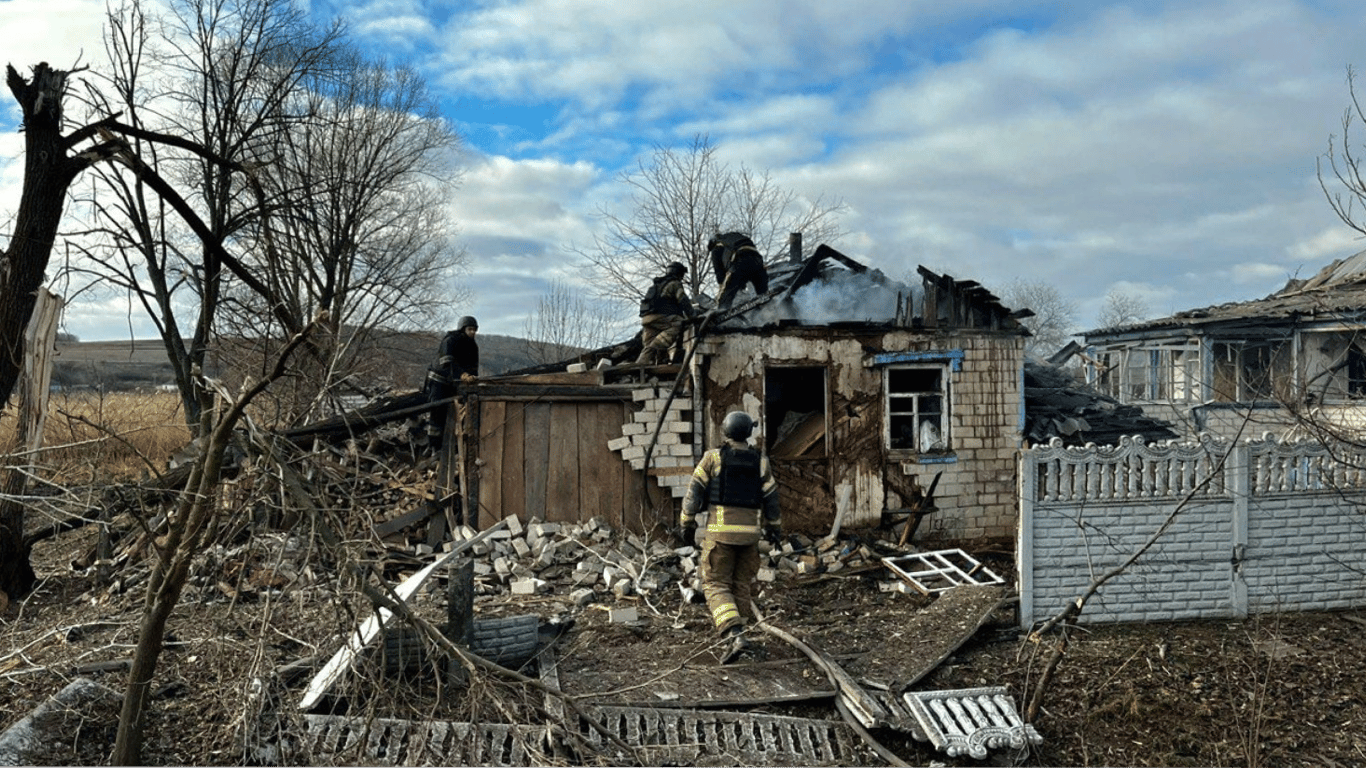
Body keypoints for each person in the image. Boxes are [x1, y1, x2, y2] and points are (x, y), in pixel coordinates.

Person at [678, 410, 782, 664]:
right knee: (741, 585)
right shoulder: (761, 461)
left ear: (725, 432)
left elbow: (693, 494)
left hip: (721, 535)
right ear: (748, 433)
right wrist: (775, 529)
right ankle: (740, 636)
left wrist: (686, 524)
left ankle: (735, 635)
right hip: (750, 538)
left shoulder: (713, 458)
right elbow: (772, 499)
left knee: (715, 584)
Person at [423, 316, 479, 448]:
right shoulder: (450, 340)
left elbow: (473, 368)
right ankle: (434, 446)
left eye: (474, 330)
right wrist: (463, 374)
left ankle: (449, 443)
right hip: (438, 380)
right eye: (470, 329)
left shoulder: (473, 346)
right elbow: (447, 364)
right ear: (462, 328)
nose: (472, 332)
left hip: (453, 382)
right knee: (437, 410)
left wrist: (473, 381)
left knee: (453, 411)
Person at [636, 261, 696, 365]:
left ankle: (643, 366)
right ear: (679, 273)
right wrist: (692, 316)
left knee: (647, 349)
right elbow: (683, 300)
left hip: (647, 320)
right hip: (661, 317)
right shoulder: (675, 284)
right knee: (678, 324)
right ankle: (652, 350)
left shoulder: (655, 286)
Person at [708, 231, 769, 309]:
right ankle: (768, 312)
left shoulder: (717, 246)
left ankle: (722, 312)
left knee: (725, 298)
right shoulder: (733, 237)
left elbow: (719, 272)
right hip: (758, 261)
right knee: (764, 297)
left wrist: (721, 287)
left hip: (741, 261)